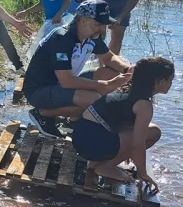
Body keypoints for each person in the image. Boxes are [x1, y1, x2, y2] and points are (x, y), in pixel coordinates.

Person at [23, 0, 133, 138]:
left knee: (110, 73)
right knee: (93, 98)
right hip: (39, 91)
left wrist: (129, 70)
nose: (101, 29)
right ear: (83, 21)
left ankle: (73, 120)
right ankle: (43, 113)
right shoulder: (61, 40)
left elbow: (108, 58)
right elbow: (67, 82)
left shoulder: (92, 36)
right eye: (98, 24)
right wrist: (104, 86)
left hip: (61, 84)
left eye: (103, 24)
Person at [73, 56, 172, 189]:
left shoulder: (125, 89)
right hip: (93, 143)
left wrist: (125, 151)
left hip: (80, 138)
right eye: (170, 80)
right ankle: (106, 167)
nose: (171, 83)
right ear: (160, 81)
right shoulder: (143, 105)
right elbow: (138, 144)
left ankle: (95, 163)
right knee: (154, 133)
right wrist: (142, 173)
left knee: (146, 129)